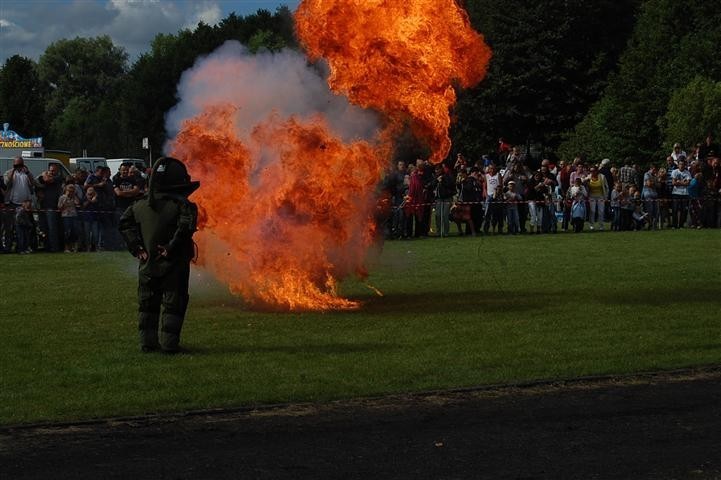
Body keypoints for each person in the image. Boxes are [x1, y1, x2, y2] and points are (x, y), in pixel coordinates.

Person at [119, 157, 200, 354]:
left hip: (147, 265)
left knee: (148, 303)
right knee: (174, 303)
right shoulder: (183, 206)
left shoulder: (139, 205)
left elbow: (124, 224)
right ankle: (170, 345)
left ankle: (148, 343)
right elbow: (185, 228)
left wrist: (137, 248)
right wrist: (170, 248)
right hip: (174, 265)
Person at [3, 157, 38, 253]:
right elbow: (7, 183)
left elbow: (34, 184)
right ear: (13, 165)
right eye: (16, 165)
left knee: (24, 228)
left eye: (20, 164)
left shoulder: (27, 174)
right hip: (12, 204)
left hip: (25, 205)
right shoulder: (9, 173)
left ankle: (22, 247)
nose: (18, 167)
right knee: (9, 228)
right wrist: (13, 171)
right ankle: (8, 247)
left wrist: (28, 173)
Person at [36, 163, 64, 252]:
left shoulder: (58, 178)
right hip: (42, 207)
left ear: (57, 171)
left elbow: (47, 179)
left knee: (52, 229)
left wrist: (44, 174)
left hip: (52, 207)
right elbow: (36, 182)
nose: (52, 172)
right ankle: (46, 246)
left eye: (53, 170)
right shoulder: (42, 178)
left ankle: (54, 247)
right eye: (50, 170)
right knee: (44, 229)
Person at [58, 183, 80, 252]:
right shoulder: (62, 197)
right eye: (69, 191)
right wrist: (66, 198)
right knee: (67, 232)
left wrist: (74, 197)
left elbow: (77, 204)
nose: (71, 192)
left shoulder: (74, 197)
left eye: (72, 191)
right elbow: (59, 207)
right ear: (66, 190)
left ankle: (74, 247)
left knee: (75, 232)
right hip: (65, 216)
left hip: (74, 215)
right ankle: (66, 248)